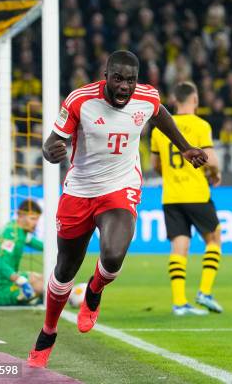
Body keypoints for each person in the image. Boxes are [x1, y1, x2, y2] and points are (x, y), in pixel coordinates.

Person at [27, 51, 208, 368]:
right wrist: (50, 151)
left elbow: (160, 114)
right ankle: (48, 331)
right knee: (65, 269)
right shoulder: (80, 100)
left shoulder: (146, 97)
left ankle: (94, 291)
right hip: (80, 191)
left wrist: (185, 147)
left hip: (120, 188)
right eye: (118, 79)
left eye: (131, 80)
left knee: (112, 256)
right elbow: (51, 142)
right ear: (106, 75)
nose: (125, 87)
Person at [150, 82, 223, 316]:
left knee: (179, 246)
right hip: (196, 192)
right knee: (214, 238)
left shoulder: (158, 129)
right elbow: (210, 160)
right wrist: (215, 174)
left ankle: (179, 302)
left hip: (171, 195)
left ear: (174, 101)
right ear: (195, 100)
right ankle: (205, 292)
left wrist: (172, 177)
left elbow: (155, 165)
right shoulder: (201, 125)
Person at [0, 199, 44, 306]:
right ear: (20, 216)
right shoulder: (11, 234)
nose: (36, 223)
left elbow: (35, 243)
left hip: (7, 283)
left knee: (44, 279)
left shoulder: (19, 230)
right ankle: (29, 298)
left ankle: (31, 298)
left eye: (37, 219)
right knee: (44, 286)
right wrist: (19, 280)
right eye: (33, 219)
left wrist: (59, 248)